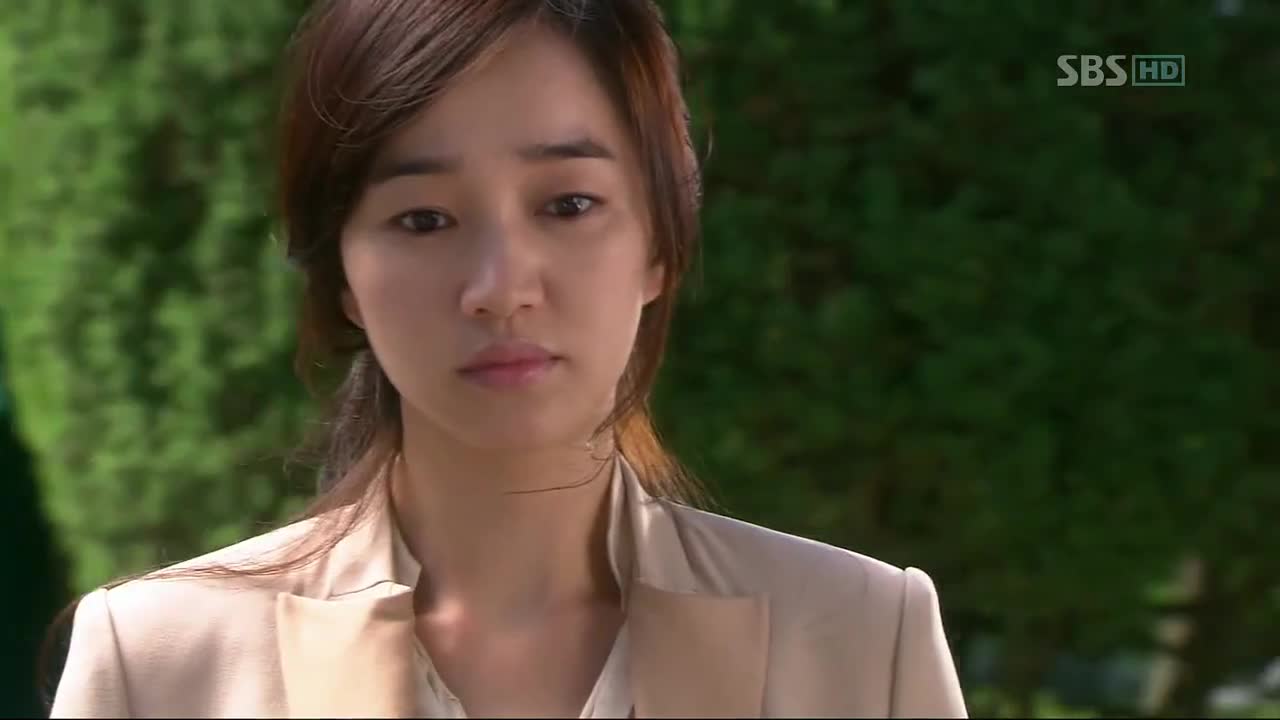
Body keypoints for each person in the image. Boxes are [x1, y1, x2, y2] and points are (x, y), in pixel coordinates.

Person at [48, 0, 967, 717]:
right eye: (423, 219)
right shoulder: (162, 663)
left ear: (659, 245)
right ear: (343, 281)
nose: (500, 287)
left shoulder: (858, 636)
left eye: (568, 205)